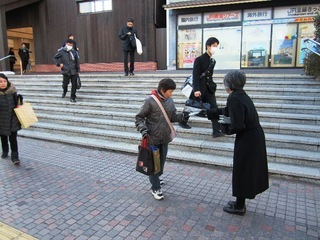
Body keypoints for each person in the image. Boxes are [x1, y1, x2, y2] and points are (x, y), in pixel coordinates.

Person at [206, 70, 269, 215]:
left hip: (248, 139)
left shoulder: (234, 98)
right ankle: (240, 202)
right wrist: (209, 113)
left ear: (229, 84)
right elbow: (228, 111)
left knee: (242, 170)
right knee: (245, 170)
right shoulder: (240, 95)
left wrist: (223, 128)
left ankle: (239, 206)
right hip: (253, 136)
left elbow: (237, 125)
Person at [135, 78, 189, 200]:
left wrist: (182, 117)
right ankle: (155, 188)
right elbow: (139, 117)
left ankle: (157, 177)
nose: (171, 94)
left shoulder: (170, 101)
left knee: (161, 161)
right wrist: (143, 130)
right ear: (162, 90)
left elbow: (172, 116)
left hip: (165, 137)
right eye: (170, 91)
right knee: (154, 163)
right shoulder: (150, 101)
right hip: (152, 138)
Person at [180, 37, 223, 138]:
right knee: (191, 106)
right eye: (214, 46)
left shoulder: (213, 61)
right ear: (208, 46)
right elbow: (195, 75)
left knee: (214, 108)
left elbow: (209, 76)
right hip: (199, 89)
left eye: (217, 46)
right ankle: (182, 121)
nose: (215, 48)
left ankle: (216, 131)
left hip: (209, 90)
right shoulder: (199, 59)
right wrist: (196, 89)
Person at [0, 73, 22, 165]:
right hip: (1, 120)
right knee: (3, 136)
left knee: (13, 138)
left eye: (5, 81)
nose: (3, 83)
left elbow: (18, 104)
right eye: (0, 82)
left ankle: (15, 156)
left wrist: (20, 100)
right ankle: (5, 150)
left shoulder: (12, 91)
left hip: (13, 119)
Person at [53, 39, 80, 103]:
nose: (71, 46)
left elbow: (77, 61)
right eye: (70, 44)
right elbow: (55, 57)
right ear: (67, 44)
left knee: (74, 85)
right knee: (65, 84)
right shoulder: (62, 51)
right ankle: (64, 91)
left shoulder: (74, 52)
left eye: (72, 45)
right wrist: (59, 64)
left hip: (73, 70)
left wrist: (78, 70)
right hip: (66, 70)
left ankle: (72, 97)